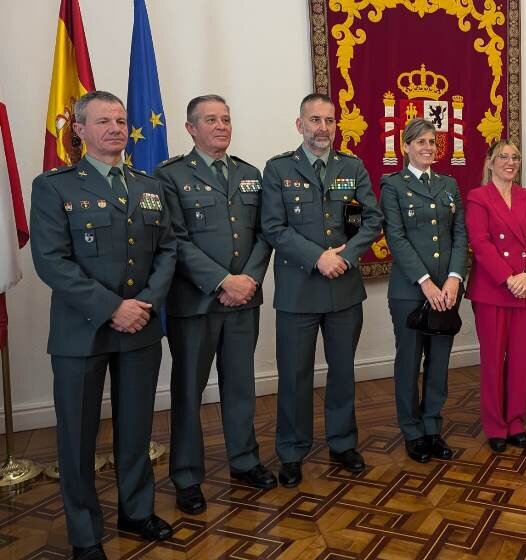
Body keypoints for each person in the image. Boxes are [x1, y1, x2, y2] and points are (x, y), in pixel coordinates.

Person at [30, 91, 176, 560]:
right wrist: (114, 307)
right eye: (103, 121)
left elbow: (167, 250)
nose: (115, 128)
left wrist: (146, 304)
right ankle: (84, 533)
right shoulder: (54, 186)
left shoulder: (147, 185)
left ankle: (136, 511)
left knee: (135, 429)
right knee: (77, 437)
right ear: (79, 129)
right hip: (82, 332)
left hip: (141, 328)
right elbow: (51, 261)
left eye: (120, 120)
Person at [156, 94, 276, 515]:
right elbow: (174, 240)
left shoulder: (249, 173)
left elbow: (265, 233)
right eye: (211, 120)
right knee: (189, 391)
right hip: (196, 302)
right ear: (191, 129)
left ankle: (244, 461)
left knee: (241, 384)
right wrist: (223, 280)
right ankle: (187, 477)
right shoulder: (170, 176)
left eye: (226, 118)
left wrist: (249, 280)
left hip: (244, 300)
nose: (222, 126)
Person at [260, 93, 384, 486]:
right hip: (299, 291)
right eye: (315, 120)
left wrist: (345, 256)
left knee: (343, 372)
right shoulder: (278, 169)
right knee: (295, 375)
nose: (322, 128)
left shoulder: (352, 167)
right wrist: (318, 258)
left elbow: (370, 219)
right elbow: (274, 227)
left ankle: (343, 442)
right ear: (300, 125)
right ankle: (292, 451)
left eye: (329, 121)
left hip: (344, 290)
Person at [380, 118, 467, 463]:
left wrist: (454, 278)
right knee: (409, 361)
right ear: (405, 146)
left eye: (432, 142)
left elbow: (460, 234)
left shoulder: (449, 184)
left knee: (439, 361)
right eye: (420, 142)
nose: (428, 148)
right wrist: (426, 282)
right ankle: (412, 431)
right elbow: (396, 238)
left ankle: (432, 426)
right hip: (410, 292)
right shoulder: (393, 186)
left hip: (447, 289)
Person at [466, 140, 526, 452]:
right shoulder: (478, 197)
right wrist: (509, 277)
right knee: (493, 361)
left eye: (515, 157)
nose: (510, 162)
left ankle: (515, 421)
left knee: (519, 360)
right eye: (503, 156)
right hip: (493, 289)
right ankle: (495, 425)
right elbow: (480, 242)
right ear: (490, 162)